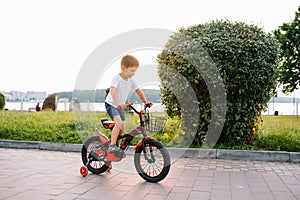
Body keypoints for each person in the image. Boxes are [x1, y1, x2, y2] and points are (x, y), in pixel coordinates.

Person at [105, 55, 148, 152]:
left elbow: (138, 91)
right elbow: (113, 91)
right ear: (123, 68)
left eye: (135, 71)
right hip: (111, 104)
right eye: (132, 71)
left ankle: (118, 147)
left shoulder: (131, 81)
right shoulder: (117, 78)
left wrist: (146, 102)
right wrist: (118, 103)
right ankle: (112, 145)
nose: (133, 73)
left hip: (120, 106)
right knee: (119, 123)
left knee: (122, 127)